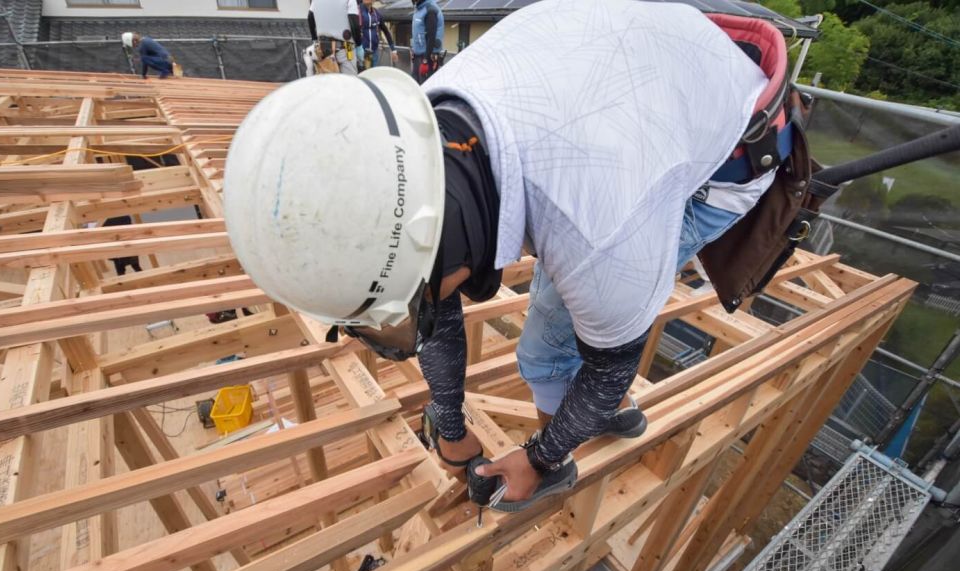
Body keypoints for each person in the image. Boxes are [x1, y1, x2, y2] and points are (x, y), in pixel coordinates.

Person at [224, 0, 788, 512]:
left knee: (547, 349)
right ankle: (577, 410)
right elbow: (429, 288)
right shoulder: (418, 137)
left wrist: (538, 456)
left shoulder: (597, 232)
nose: (413, 317)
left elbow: (613, 361)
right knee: (561, 322)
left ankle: (566, 448)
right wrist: (449, 425)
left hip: (725, 156)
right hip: (642, 91)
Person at [308, 0, 363, 75]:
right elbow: (354, 23)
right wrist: (359, 45)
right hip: (347, 46)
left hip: (324, 46)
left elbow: (310, 17)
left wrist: (314, 39)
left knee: (328, 80)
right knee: (349, 81)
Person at [410, 0, 443, 83]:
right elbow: (418, 33)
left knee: (425, 88)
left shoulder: (430, 10)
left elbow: (431, 37)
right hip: (418, 55)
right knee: (416, 85)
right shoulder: (419, 9)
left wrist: (425, 60)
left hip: (427, 57)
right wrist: (414, 49)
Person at [359, 0, 398, 70]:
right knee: (362, 76)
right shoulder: (358, 11)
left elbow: (386, 31)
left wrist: (393, 50)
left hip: (374, 52)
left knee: (373, 76)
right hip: (362, 52)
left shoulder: (376, 13)